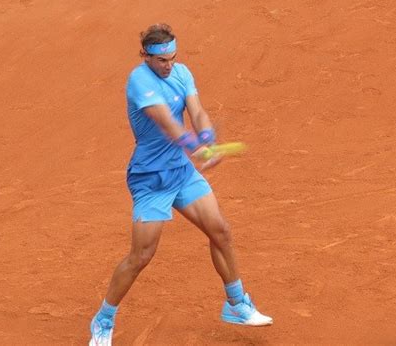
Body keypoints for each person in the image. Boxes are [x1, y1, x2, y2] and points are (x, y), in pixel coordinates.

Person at [89, 23, 272, 346]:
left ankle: (236, 303)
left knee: (221, 230)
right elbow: (167, 123)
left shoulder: (182, 73)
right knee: (141, 255)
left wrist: (206, 138)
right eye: (162, 61)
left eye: (173, 58)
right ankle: (103, 319)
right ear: (146, 56)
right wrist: (195, 146)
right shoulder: (139, 82)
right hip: (150, 179)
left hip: (181, 173)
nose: (169, 65)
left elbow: (196, 111)